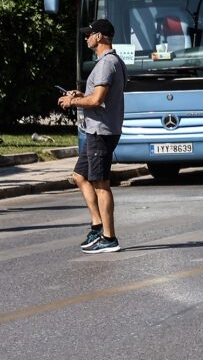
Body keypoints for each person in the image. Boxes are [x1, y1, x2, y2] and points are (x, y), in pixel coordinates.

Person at [59, 19, 128, 253]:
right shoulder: (109, 62)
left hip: (102, 131)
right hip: (96, 130)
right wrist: (80, 93)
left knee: (101, 183)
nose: (86, 37)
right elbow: (98, 96)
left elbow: (97, 100)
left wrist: (72, 101)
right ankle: (98, 226)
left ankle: (110, 238)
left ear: (99, 37)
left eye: (89, 34)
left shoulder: (107, 63)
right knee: (80, 176)